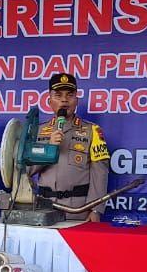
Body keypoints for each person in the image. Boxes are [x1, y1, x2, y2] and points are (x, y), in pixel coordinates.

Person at [28, 73, 110, 221]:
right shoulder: (36, 131)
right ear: (49, 101)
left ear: (76, 100)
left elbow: (100, 175)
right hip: (44, 208)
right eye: (58, 95)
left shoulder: (93, 131)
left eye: (70, 95)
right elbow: (26, 170)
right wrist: (48, 148)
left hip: (79, 210)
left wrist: (96, 210)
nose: (64, 100)